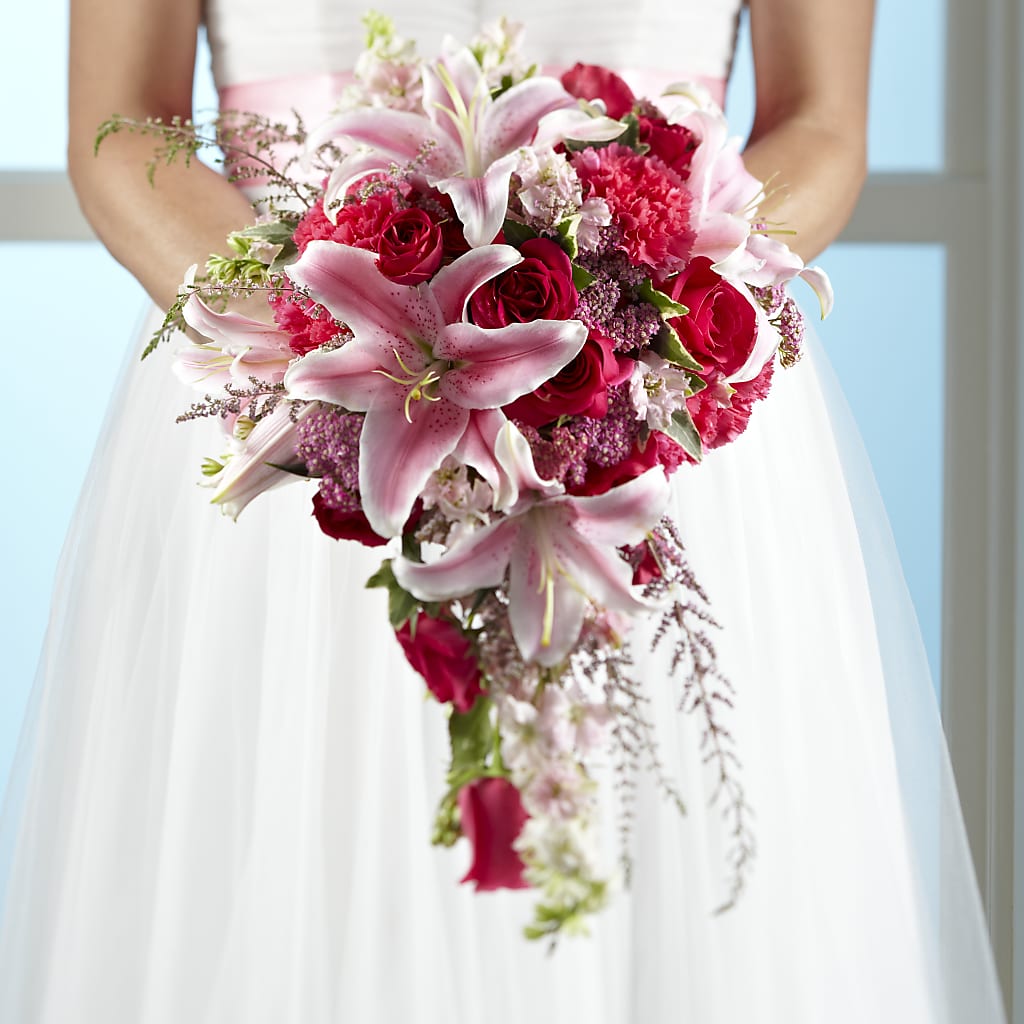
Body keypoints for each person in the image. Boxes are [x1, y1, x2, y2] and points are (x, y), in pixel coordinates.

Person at [0, 0, 1007, 1020]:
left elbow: (822, 122)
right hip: (290, 403)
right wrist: (347, 340)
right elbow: (121, 129)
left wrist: (623, 317)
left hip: (647, 406)